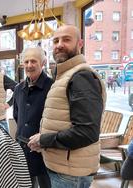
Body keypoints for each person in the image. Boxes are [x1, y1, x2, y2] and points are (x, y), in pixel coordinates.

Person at [28, 25, 106, 188]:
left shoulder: (81, 77)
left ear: (80, 44)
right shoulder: (65, 76)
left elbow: (87, 132)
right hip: (64, 168)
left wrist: (44, 140)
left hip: (70, 174)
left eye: (66, 39)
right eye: (56, 40)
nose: (59, 44)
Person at [13, 47, 52, 188]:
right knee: (25, 184)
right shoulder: (18, 89)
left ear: (43, 63)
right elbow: (17, 115)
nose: (29, 65)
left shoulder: (52, 87)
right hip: (22, 148)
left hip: (45, 149)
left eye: (33, 61)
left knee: (46, 184)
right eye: (26, 61)